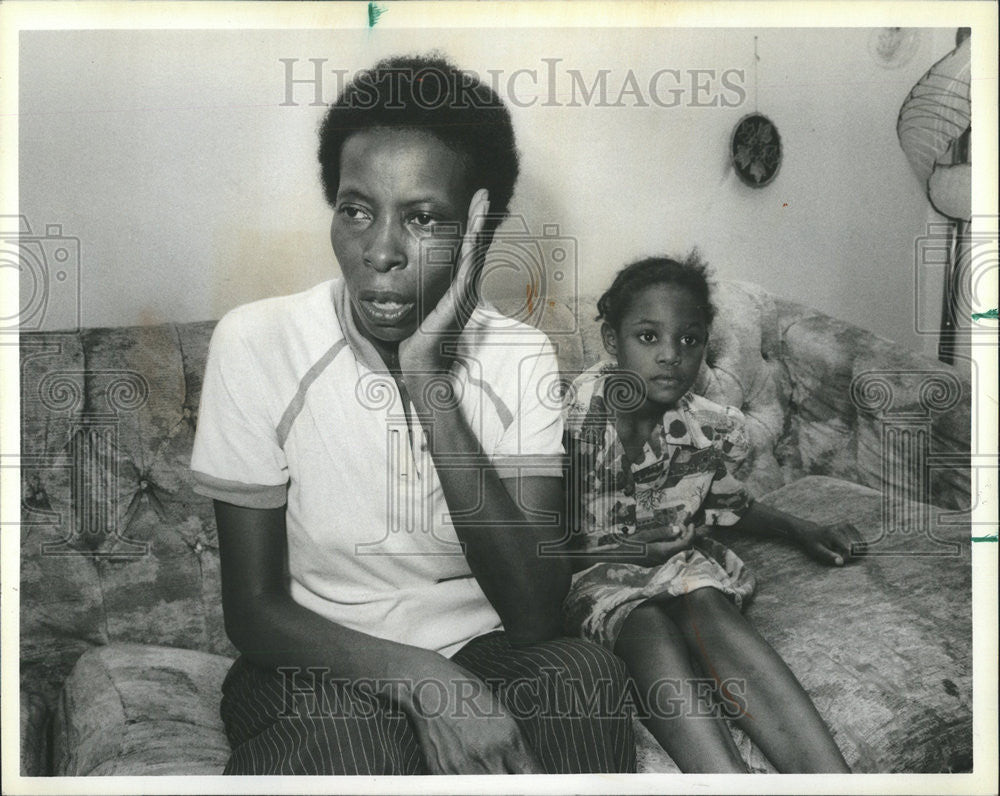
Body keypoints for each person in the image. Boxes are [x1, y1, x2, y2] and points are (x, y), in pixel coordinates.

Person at [189, 54, 635, 775]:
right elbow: (254, 609)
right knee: (353, 745)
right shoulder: (258, 340)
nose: (380, 251)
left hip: (485, 649)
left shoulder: (521, 357)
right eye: (356, 209)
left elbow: (532, 612)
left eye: (423, 218)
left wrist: (430, 383)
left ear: (476, 230)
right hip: (314, 663)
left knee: (584, 680)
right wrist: (426, 682)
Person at [560, 254, 860, 773]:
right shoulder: (569, 420)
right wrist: (635, 551)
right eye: (649, 337)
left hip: (675, 570)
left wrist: (803, 528)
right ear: (613, 341)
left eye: (689, 339)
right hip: (590, 575)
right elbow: (538, 545)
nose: (672, 356)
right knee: (643, 617)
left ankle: (830, 781)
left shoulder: (706, 427)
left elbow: (727, 504)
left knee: (705, 598)